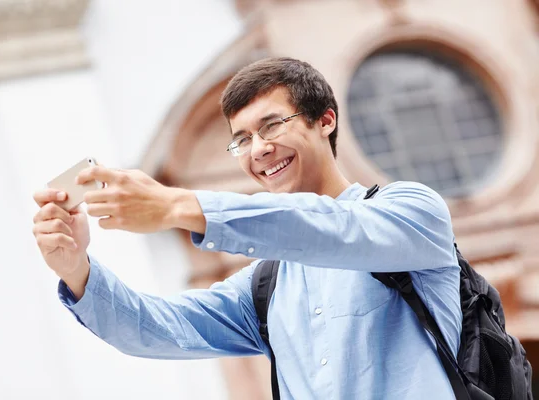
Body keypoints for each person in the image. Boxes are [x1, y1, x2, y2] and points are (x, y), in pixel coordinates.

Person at [32, 57, 461, 399]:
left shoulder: (413, 212)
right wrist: (76, 271)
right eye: (242, 139)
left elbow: (332, 229)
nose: (259, 149)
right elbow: (157, 328)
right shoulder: (264, 287)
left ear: (325, 121)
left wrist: (177, 205)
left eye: (272, 125)